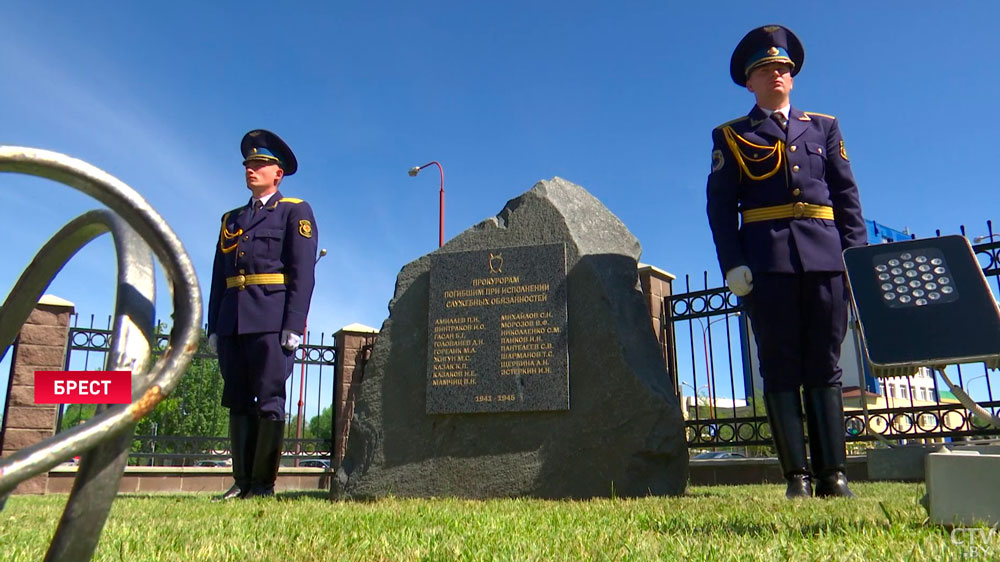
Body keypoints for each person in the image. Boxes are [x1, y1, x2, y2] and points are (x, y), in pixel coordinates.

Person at [705, 25, 867, 498]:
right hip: (767, 263)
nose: (776, 74)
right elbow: (719, 208)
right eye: (765, 69)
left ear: (792, 78)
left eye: (782, 68)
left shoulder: (824, 128)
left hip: (825, 259)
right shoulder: (732, 135)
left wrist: (852, 257)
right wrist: (732, 263)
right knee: (778, 366)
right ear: (749, 82)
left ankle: (833, 475)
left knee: (826, 364)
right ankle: (796, 477)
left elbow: (846, 198)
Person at [207, 129, 319, 499]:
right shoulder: (232, 218)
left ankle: (262, 484)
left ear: (278, 173)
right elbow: (217, 277)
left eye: (259, 164)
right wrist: (214, 324)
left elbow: (303, 272)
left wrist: (294, 324)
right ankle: (240, 481)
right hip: (233, 318)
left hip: (271, 318)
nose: (250, 170)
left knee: (269, 398)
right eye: (248, 165)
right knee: (237, 397)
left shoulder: (293, 211)